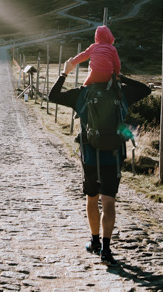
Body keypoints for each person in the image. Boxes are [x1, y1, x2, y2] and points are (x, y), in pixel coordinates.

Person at [48, 59, 151, 265]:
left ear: (91, 72)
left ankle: (94, 242)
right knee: (109, 202)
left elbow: (53, 96)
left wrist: (66, 72)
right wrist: (119, 77)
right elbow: (145, 90)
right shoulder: (121, 92)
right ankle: (106, 249)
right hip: (112, 157)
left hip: (89, 156)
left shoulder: (81, 94)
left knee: (92, 199)